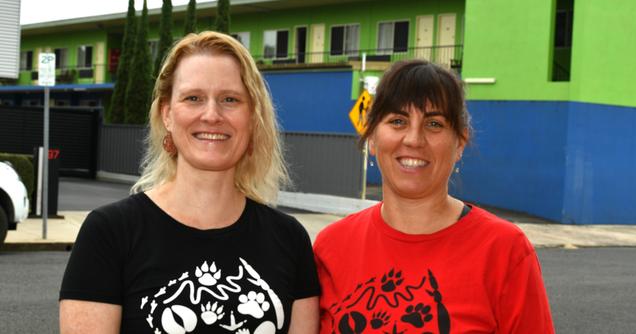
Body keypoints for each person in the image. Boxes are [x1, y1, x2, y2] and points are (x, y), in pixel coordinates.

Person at [60, 31, 320, 334]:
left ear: (252, 118)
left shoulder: (289, 240)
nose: (212, 115)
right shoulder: (108, 233)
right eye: (193, 98)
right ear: (167, 114)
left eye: (230, 99)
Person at [314, 60, 554, 333]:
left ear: (459, 143)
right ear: (372, 137)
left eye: (434, 124)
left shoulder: (504, 252)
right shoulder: (331, 247)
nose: (414, 139)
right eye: (397, 121)